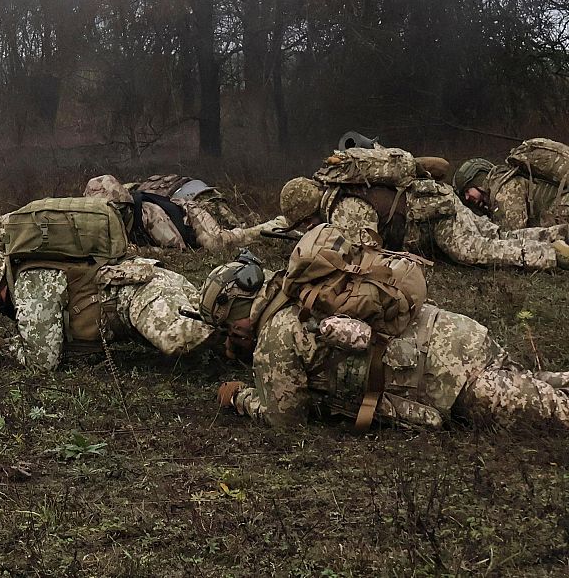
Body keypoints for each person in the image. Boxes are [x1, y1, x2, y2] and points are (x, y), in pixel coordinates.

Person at [201, 249, 569, 431]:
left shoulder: (274, 338)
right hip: (457, 335)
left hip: (451, 379)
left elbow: (286, 421)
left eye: (227, 328)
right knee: (540, 383)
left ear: (238, 318)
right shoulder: (300, 287)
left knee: (556, 414)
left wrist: (240, 396)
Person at [0, 246, 212, 370]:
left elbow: (43, 360)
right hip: (149, 279)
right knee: (210, 317)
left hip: (140, 293)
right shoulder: (28, 273)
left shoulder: (29, 285)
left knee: (182, 340)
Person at [277, 173, 569, 270]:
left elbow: (366, 256)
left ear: (307, 211)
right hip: (436, 201)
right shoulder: (342, 191)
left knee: (477, 251)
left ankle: (552, 256)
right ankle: (557, 233)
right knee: (498, 235)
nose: (307, 229)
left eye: (304, 223)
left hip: (433, 217)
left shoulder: (344, 210)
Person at [82, 174, 290, 252]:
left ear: (123, 206)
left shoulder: (151, 215)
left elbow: (177, 250)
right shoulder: (101, 219)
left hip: (189, 216)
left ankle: (270, 227)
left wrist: (138, 251)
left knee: (217, 243)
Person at [455, 155, 569, 233]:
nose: (467, 197)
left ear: (478, 180)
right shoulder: (500, 187)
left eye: (467, 190)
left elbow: (513, 235)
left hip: (563, 213)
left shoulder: (504, 190)